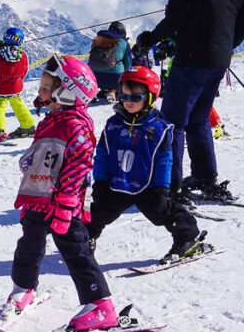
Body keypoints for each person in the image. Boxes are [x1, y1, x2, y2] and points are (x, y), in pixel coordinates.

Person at [134, 0, 244, 201]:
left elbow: (174, 19)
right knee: (199, 120)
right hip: (218, 62)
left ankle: (170, 185)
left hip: (190, 60)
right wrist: (227, 46)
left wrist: (149, 40)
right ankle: (205, 176)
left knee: (173, 123)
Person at [0, 54, 116, 332]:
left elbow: (77, 167)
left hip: (62, 204)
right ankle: (24, 289)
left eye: (46, 89)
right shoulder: (52, 119)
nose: (40, 93)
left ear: (66, 92)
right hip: (38, 197)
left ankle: (100, 305)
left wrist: (65, 204)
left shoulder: (75, 125)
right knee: (28, 245)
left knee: (76, 250)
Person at [87, 66, 205, 264]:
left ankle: (187, 238)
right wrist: (100, 181)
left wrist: (162, 187)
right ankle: (84, 238)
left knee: (161, 212)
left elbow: (164, 160)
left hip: (148, 185)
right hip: (118, 182)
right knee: (100, 212)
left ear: (149, 97)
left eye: (135, 97)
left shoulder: (158, 128)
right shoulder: (113, 124)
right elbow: (102, 155)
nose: (128, 102)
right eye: (123, 96)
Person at [0, 27, 36, 142]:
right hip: (17, 86)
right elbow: (25, 70)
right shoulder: (23, 55)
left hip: (2, 87)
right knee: (18, 104)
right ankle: (28, 126)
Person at [87, 21, 133, 101]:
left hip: (94, 76)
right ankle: (112, 92)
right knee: (118, 67)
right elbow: (128, 62)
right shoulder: (123, 42)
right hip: (114, 77)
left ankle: (93, 92)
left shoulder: (97, 39)